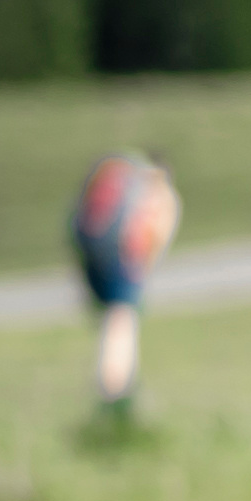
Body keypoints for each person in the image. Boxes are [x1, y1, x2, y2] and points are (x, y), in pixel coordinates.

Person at [66, 146, 169, 424]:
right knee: (121, 323)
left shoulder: (116, 174)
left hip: (96, 252)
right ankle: (114, 393)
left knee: (112, 322)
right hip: (126, 256)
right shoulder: (156, 190)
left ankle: (116, 388)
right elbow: (157, 233)